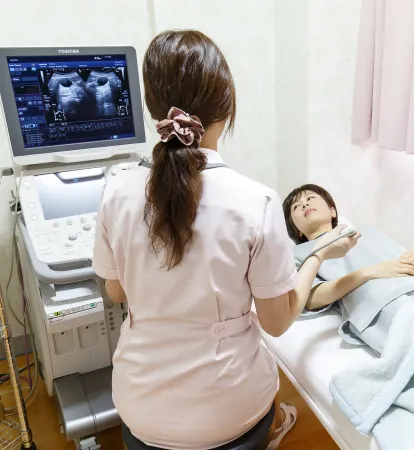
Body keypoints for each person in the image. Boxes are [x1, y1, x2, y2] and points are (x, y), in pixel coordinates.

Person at [92, 31, 359, 450]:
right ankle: (272, 428)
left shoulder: (116, 192)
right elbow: (277, 323)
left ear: (153, 108)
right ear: (228, 108)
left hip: (141, 408)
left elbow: (115, 290)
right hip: (229, 411)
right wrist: (317, 257)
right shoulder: (257, 201)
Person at [282, 184, 414, 355]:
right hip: (384, 301)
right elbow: (310, 298)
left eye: (310, 198)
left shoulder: (367, 232)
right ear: (297, 231)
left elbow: (399, 256)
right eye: (296, 206)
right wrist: (367, 274)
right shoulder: (298, 254)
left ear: (332, 211)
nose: (304, 204)